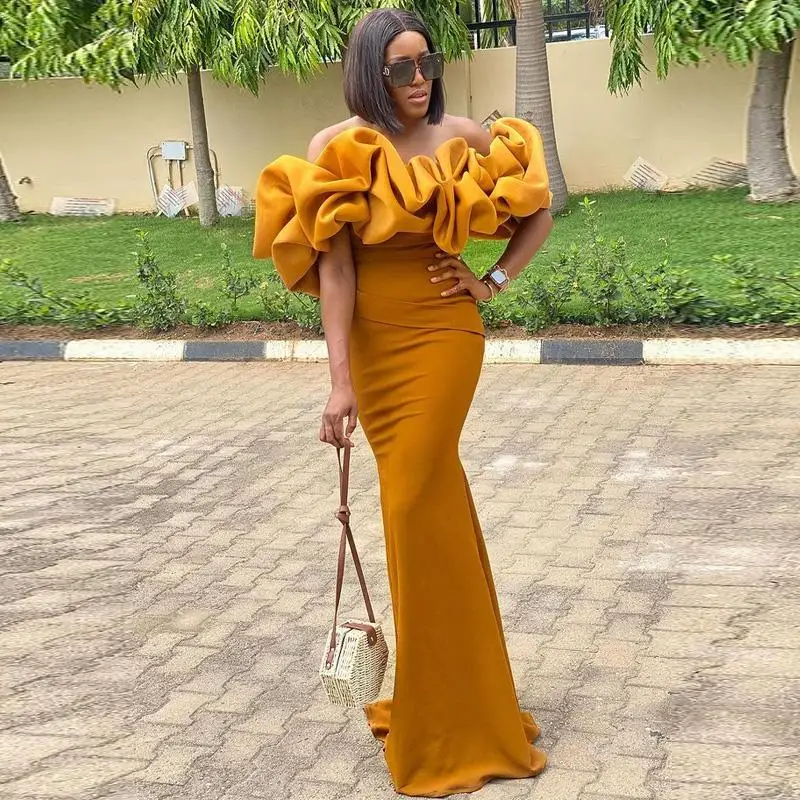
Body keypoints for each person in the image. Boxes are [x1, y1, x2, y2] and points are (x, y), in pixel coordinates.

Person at [254, 7, 553, 797]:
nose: (419, 81)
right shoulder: (335, 148)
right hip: (375, 347)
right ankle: (461, 698)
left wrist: (491, 281)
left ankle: (455, 716)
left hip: (445, 334)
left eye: (427, 64)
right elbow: (337, 272)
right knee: (424, 509)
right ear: (370, 74)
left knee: (418, 495)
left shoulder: (465, 135)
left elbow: (539, 211)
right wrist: (340, 382)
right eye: (400, 69)